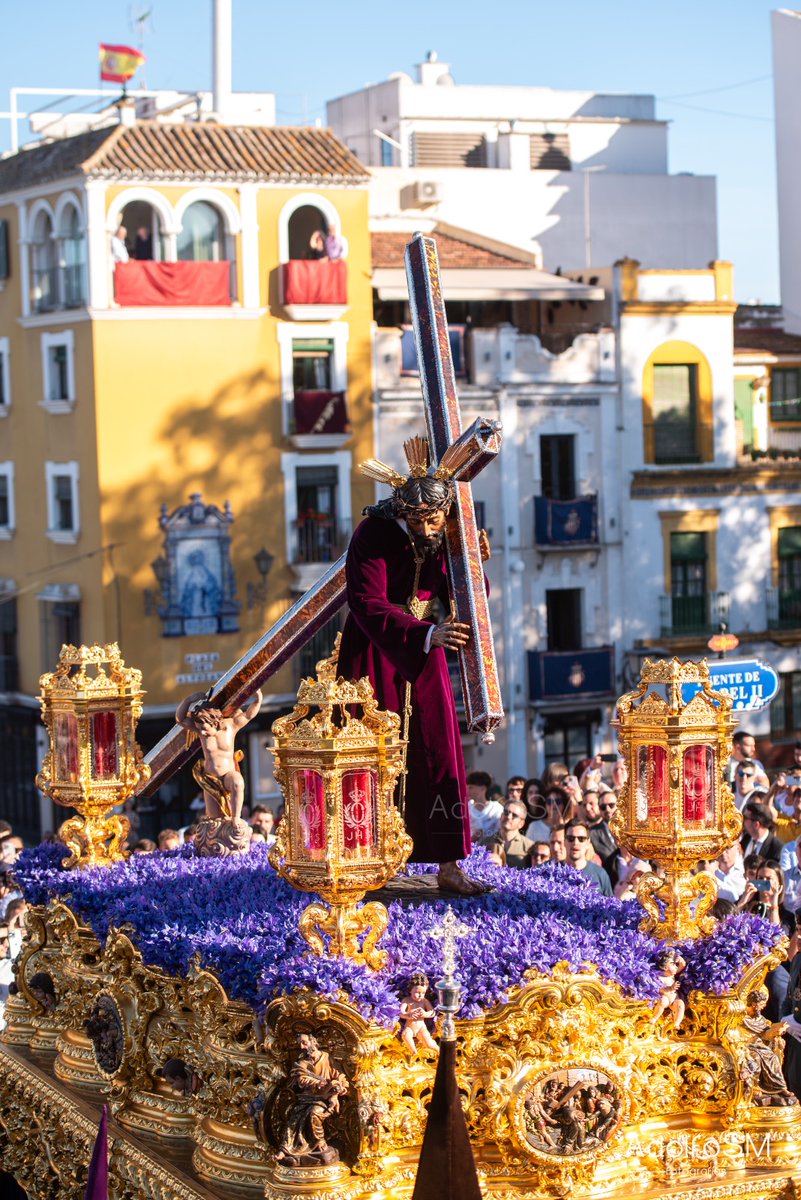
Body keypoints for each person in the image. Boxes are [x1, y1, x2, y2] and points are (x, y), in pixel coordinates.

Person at [337, 450, 491, 896]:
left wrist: (476, 566)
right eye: (418, 521)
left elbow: (463, 597)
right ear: (402, 511)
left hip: (428, 651)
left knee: (439, 754)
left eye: (434, 521)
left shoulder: (447, 534)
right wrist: (424, 633)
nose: (426, 530)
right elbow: (365, 600)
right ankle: (368, 859)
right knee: (374, 757)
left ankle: (449, 864)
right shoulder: (373, 533)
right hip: (375, 652)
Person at [176, 690, 263, 824]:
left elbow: (249, 715)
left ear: (215, 722)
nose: (202, 732)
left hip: (228, 774)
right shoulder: (200, 730)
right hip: (211, 779)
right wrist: (188, 700)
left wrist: (258, 698)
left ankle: (236, 818)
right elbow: (180, 719)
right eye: (200, 728)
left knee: (237, 782)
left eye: (205, 728)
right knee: (214, 820)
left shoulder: (231, 726)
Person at [563, 819, 612, 894]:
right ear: (564, 841)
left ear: (588, 842)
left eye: (581, 839)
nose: (575, 843)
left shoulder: (600, 874)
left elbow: (610, 904)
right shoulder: (553, 872)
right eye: (571, 838)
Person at [488, 798, 534, 870]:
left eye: (514, 815)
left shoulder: (529, 847)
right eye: (506, 812)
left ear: (521, 824)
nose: (509, 817)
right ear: (501, 816)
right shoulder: (485, 842)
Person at [399, 972, 438, 1054]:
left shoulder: (424, 1001)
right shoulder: (407, 1000)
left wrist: (425, 1014)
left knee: (429, 1044)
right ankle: (414, 1052)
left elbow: (432, 1012)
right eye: (417, 992)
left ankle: (438, 1050)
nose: (420, 995)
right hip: (410, 1027)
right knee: (405, 1035)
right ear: (410, 990)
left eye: (423, 993)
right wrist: (408, 1015)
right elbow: (400, 1012)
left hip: (421, 1027)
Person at [466, 770, 503, 842]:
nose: (467, 791)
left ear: (483, 788)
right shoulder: (465, 808)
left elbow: (501, 833)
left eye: (471, 787)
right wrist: (473, 838)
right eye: (467, 788)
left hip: (493, 850)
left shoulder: (497, 808)